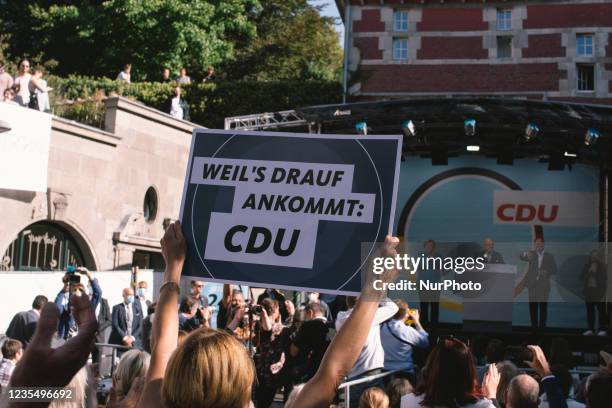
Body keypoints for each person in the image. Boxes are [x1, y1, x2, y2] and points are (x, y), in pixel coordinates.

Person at [336, 295, 399, 405]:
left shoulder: (340, 319)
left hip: (352, 376)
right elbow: (393, 307)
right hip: (371, 374)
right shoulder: (369, 316)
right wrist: (378, 293)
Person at [401, 338, 496, 408]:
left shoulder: (407, 402)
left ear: (431, 368)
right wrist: (492, 397)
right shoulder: (483, 406)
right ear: (468, 372)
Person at [254, 298, 291, 408]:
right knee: (264, 403)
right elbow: (269, 328)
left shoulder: (258, 324)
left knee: (261, 402)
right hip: (270, 372)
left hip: (261, 369)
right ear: (275, 310)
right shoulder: (275, 327)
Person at [381, 300, 429, 382]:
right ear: (406, 314)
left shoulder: (381, 327)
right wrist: (417, 321)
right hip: (404, 373)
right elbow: (425, 342)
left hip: (384, 373)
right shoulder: (406, 330)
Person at [519, 237, 557, 329]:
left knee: (543, 308)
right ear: (535, 244)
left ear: (544, 244)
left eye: (541, 243)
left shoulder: (549, 256)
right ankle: (534, 328)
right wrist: (525, 253)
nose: (539, 244)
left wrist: (547, 272)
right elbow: (521, 256)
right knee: (533, 308)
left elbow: (555, 270)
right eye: (537, 243)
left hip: (544, 286)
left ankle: (542, 328)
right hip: (533, 285)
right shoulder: (531, 254)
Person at [55, 267, 102, 340]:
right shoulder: (67, 310)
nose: (77, 292)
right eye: (74, 290)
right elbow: (57, 308)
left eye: (80, 291)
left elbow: (98, 293)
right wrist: (64, 288)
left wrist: (88, 274)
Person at [289, 302, 331, 383]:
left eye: (305, 315)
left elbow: (293, 351)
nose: (304, 318)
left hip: (309, 373)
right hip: (327, 372)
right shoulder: (332, 326)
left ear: (310, 313)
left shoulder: (307, 326)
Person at [580, 250, 607, 336]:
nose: (594, 257)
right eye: (593, 255)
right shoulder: (587, 266)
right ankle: (590, 329)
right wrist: (589, 272)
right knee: (590, 311)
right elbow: (581, 277)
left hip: (598, 291)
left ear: (598, 257)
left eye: (596, 255)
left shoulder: (602, 267)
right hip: (589, 291)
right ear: (590, 257)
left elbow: (604, 279)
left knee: (601, 310)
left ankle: (602, 329)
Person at [417, 239, 442, 326]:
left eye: (431, 246)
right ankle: (423, 326)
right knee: (424, 307)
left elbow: (442, 267)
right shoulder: (420, 256)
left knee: (435, 307)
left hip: (435, 286)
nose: (429, 247)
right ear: (425, 247)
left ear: (433, 247)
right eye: (427, 246)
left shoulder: (438, 256)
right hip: (423, 285)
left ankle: (434, 328)